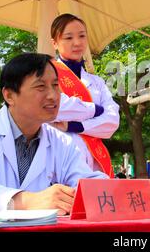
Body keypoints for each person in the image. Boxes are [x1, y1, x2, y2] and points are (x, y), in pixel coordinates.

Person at [0, 53, 107, 214]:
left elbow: (90, 182)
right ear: (9, 95)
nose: (53, 96)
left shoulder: (62, 142)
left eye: (55, 85)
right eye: (40, 86)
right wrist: (23, 201)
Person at [50, 13, 120, 178]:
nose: (77, 42)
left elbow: (112, 121)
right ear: (54, 43)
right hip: (59, 155)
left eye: (82, 36)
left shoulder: (96, 82)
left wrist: (75, 126)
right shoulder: (46, 75)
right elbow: (55, 108)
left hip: (95, 160)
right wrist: (96, 110)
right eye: (68, 37)